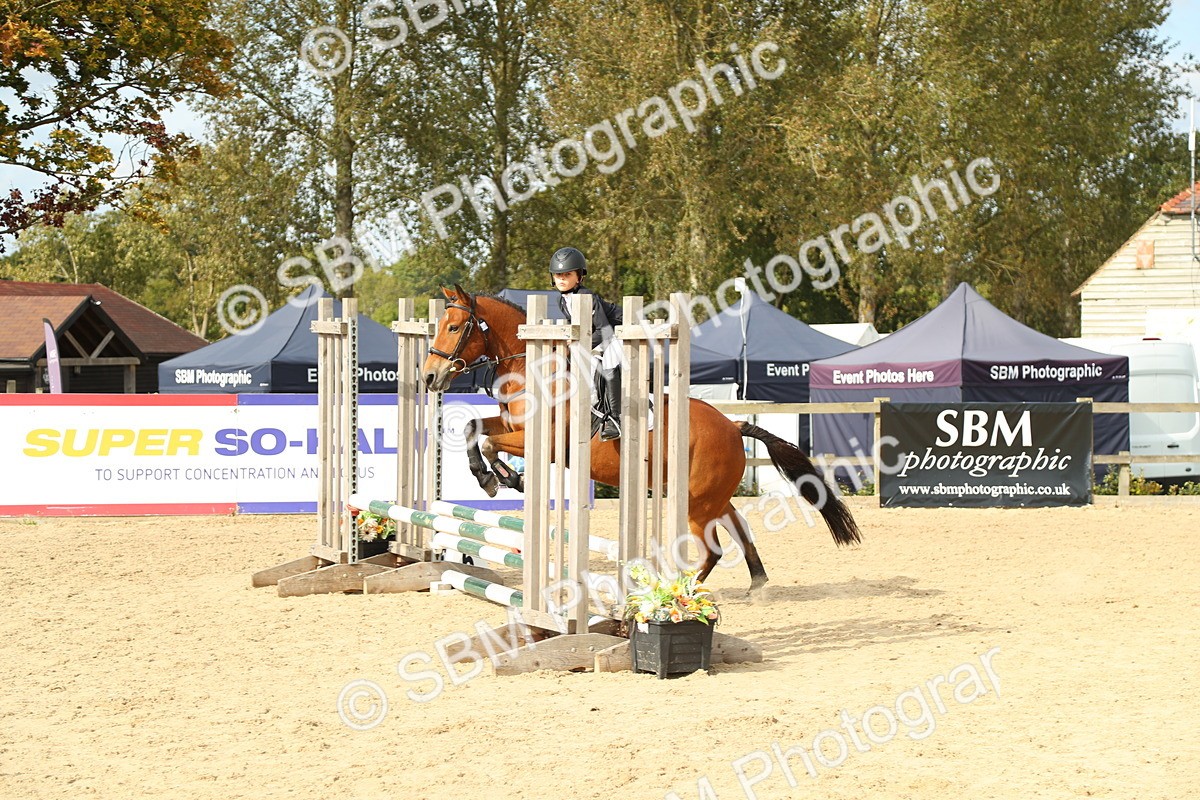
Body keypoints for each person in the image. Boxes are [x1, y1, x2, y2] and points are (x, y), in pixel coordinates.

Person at [548, 246, 624, 441]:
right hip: (598, 337)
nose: (562, 279)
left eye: (567, 274)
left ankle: (615, 419)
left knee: (608, 366)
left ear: (579, 276)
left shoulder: (585, 296)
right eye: (558, 275)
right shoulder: (561, 301)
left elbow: (604, 330)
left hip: (620, 333)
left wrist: (579, 345)